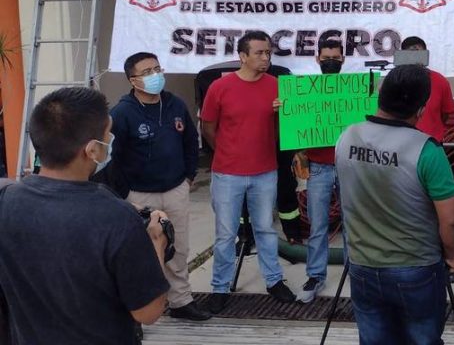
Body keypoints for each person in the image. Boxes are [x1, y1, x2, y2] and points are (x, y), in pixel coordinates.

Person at [0, 88, 170, 343]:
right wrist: (157, 243)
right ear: (92, 150)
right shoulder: (116, 218)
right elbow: (148, 311)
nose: (111, 138)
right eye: (107, 134)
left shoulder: (6, 200)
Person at [336, 64, 454, 344]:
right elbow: (451, 219)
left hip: (362, 263)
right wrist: (452, 255)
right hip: (415, 267)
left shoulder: (347, 137)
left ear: (380, 95)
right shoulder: (427, 149)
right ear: (420, 109)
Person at [201, 30, 296, 313]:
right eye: (259, 53)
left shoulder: (277, 86)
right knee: (226, 233)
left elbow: (283, 131)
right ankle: (220, 286)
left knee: (265, 229)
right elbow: (208, 126)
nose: (265, 57)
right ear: (242, 56)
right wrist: (228, 153)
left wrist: (281, 114)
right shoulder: (220, 88)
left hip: (265, 171)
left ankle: (274, 280)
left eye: (268, 52)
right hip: (227, 173)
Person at [110, 52, 209, 321]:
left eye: (158, 69)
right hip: (140, 194)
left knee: (179, 249)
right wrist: (125, 194)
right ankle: (142, 310)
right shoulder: (122, 113)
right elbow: (112, 157)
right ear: (133, 80)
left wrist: (188, 176)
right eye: (147, 72)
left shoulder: (174, 104)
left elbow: (190, 141)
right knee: (144, 255)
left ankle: (180, 302)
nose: (156, 76)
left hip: (175, 189)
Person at [294, 38, 345, 303]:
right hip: (319, 167)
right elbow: (295, 125)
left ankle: (357, 272)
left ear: (343, 60)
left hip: (350, 167)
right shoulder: (306, 90)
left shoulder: (354, 90)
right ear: (317, 59)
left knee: (354, 224)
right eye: (326, 58)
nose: (330, 62)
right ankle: (315, 275)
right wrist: (285, 108)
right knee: (317, 226)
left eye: (335, 58)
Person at [401, 36, 454, 143]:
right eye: (409, 53)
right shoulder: (394, 80)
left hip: (432, 142)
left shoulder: (440, 80)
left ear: (426, 54)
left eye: (418, 53)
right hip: (402, 142)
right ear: (402, 56)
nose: (414, 57)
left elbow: (446, 114)